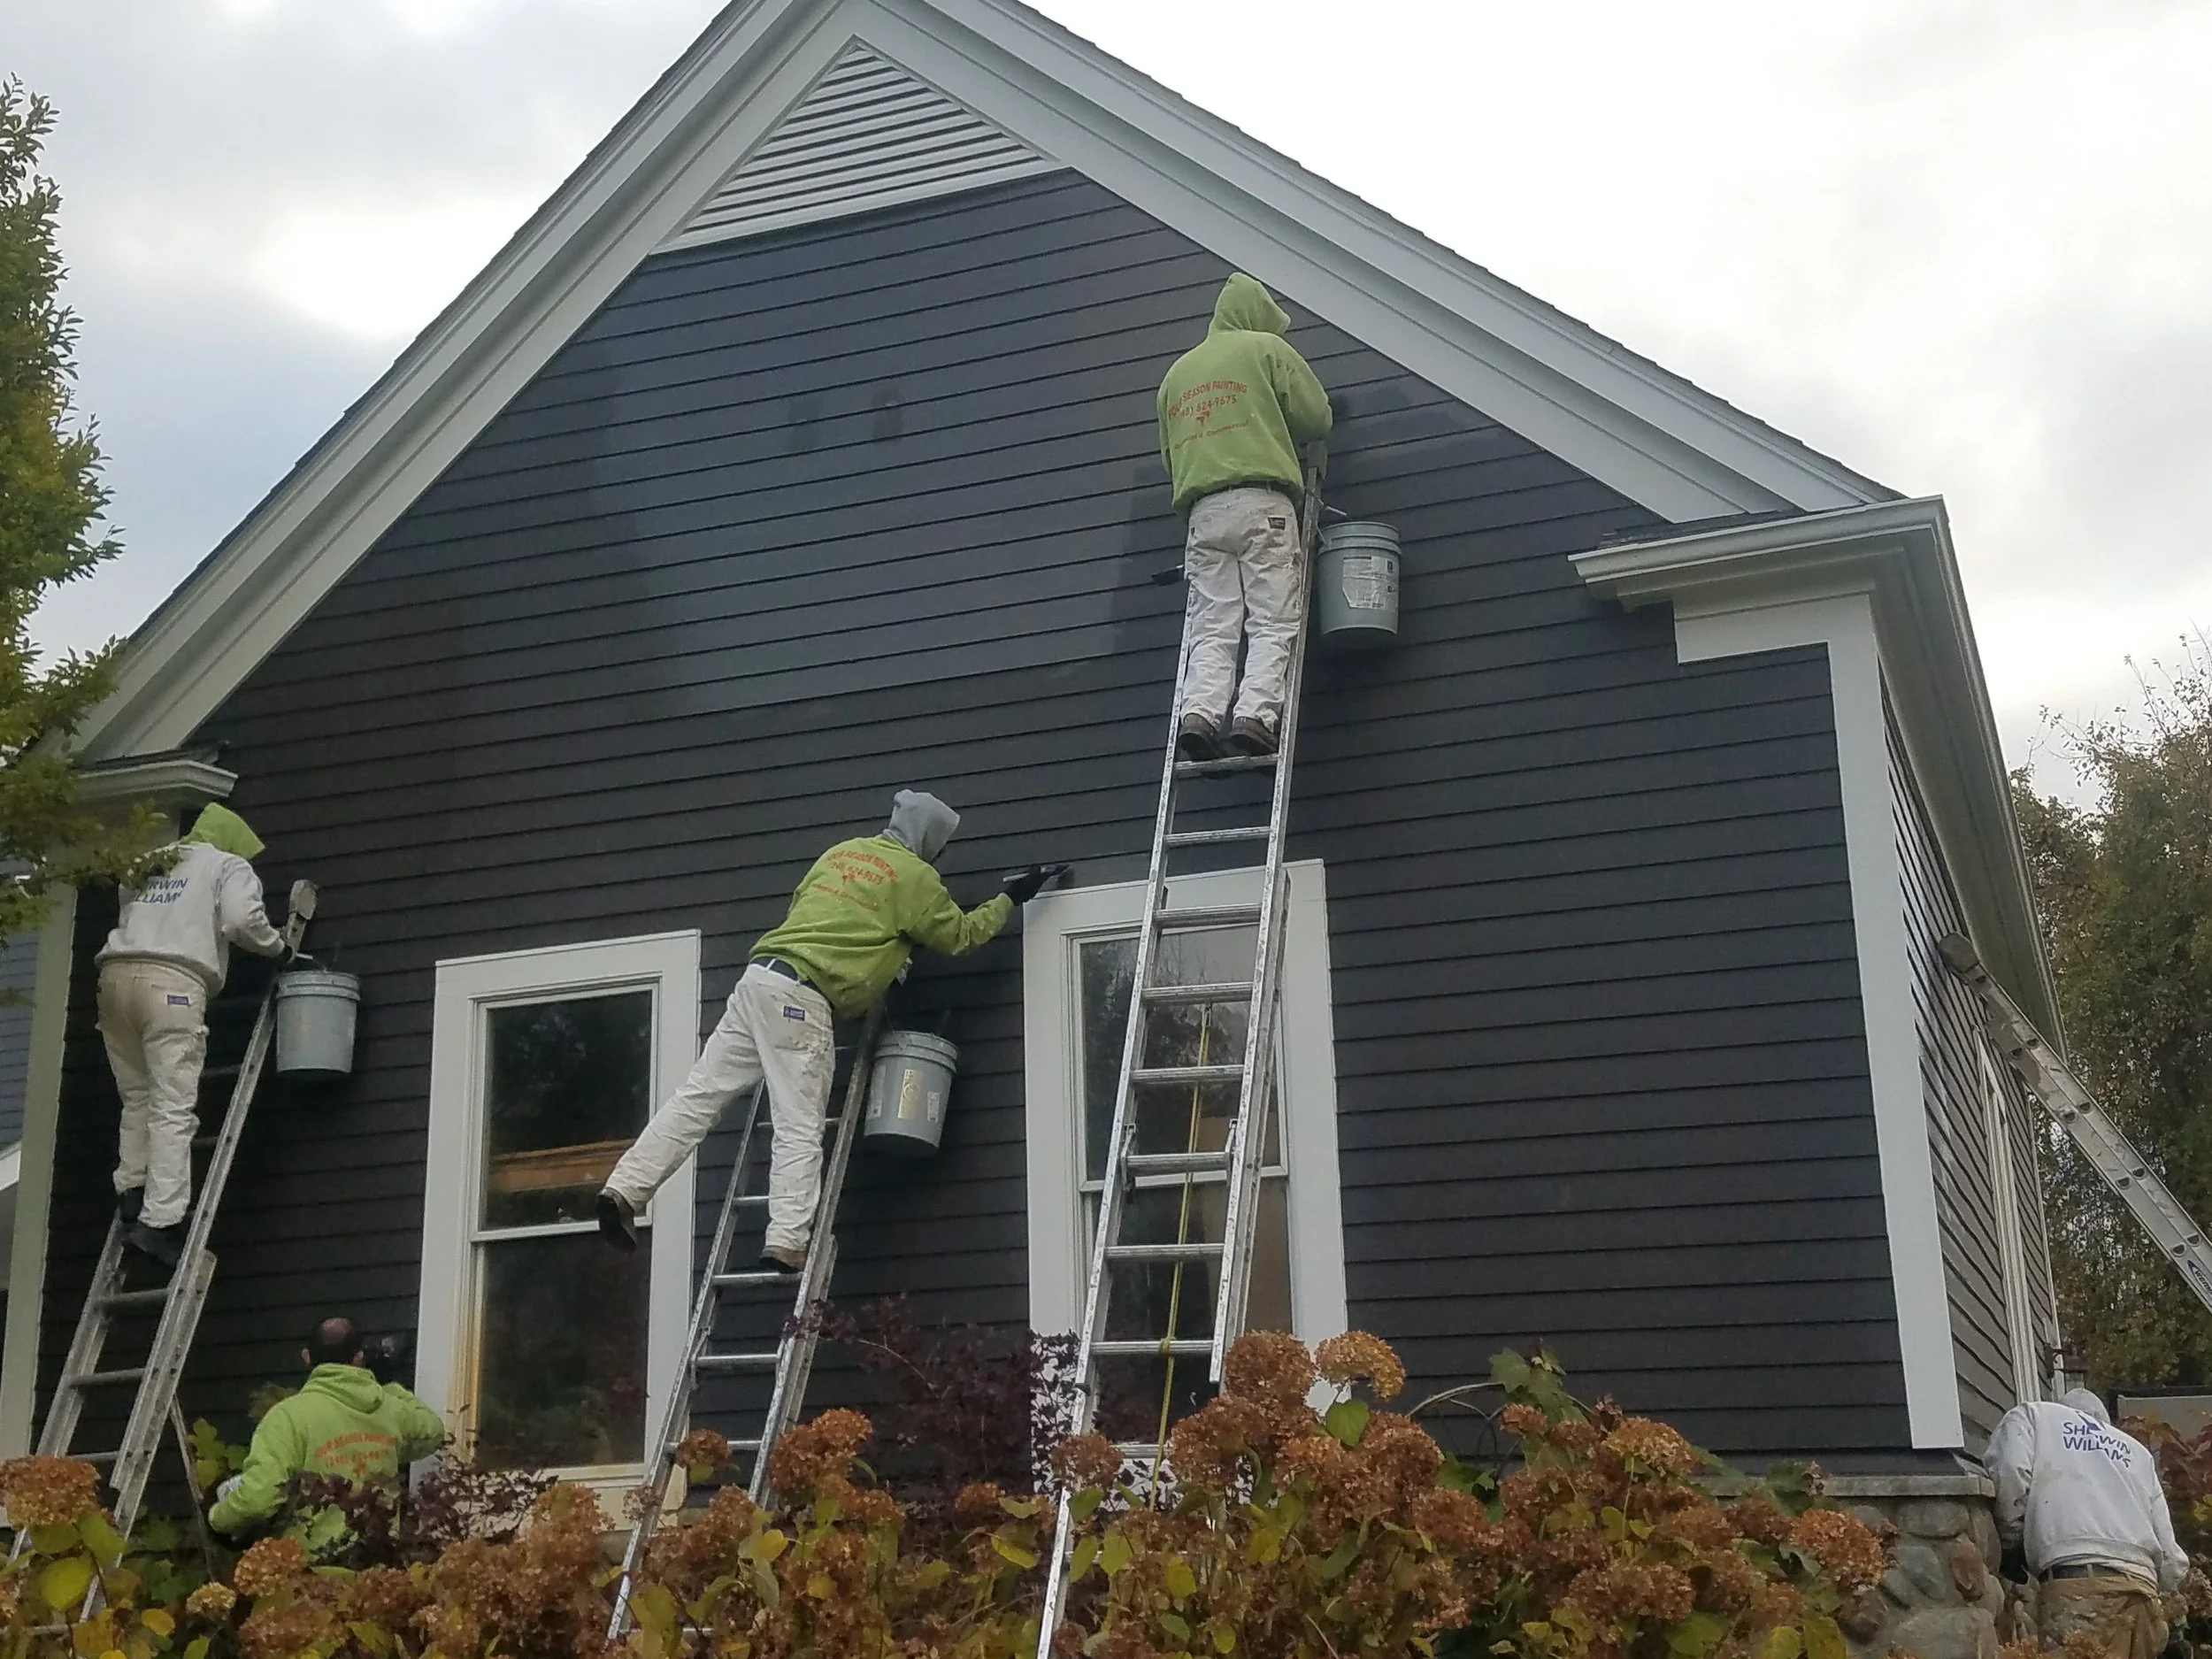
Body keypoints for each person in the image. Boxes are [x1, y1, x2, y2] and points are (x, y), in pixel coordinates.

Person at [597, 790, 1053, 1270]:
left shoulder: (842, 853)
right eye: (942, 844)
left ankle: (625, 1189)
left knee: (697, 1098)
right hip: (802, 999)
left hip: (759, 980)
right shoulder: (916, 878)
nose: (941, 854)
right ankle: (788, 1239)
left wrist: (883, 956)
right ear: (929, 837)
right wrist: (1010, 899)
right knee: (799, 1124)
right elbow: (960, 936)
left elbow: (811, 913)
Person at [95, 802, 289, 1267]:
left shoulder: (153, 861)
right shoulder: (227, 864)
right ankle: (160, 1222)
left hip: (114, 978)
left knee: (137, 1096)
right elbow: (242, 921)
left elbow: (127, 902)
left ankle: (132, 1190)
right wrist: (279, 949)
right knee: (171, 1104)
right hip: (173, 985)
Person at [1156, 272, 1333, 763]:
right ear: (1257, 315)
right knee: (1273, 619)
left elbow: (1170, 458)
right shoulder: (1265, 349)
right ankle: (1256, 716)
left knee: (1213, 624)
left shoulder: (1177, 375)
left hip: (1203, 514)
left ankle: (1200, 715)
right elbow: (1317, 417)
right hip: (1262, 502)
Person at [1986, 1388, 2189, 1659]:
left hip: (2078, 1587)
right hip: (2142, 1594)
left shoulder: (2035, 1416)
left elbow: (2011, 1473)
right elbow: (2171, 1559)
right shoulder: (2136, 1453)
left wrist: (2012, 1543)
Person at [206, 1315, 444, 1539]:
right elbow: (434, 1432)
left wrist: (217, 1517)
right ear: (359, 1358)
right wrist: (389, 1386)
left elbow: (258, 1499)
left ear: (307, 1357)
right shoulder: (390, 1408)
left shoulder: (287, 1417)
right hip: (377, 1565)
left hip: (314, 1572)